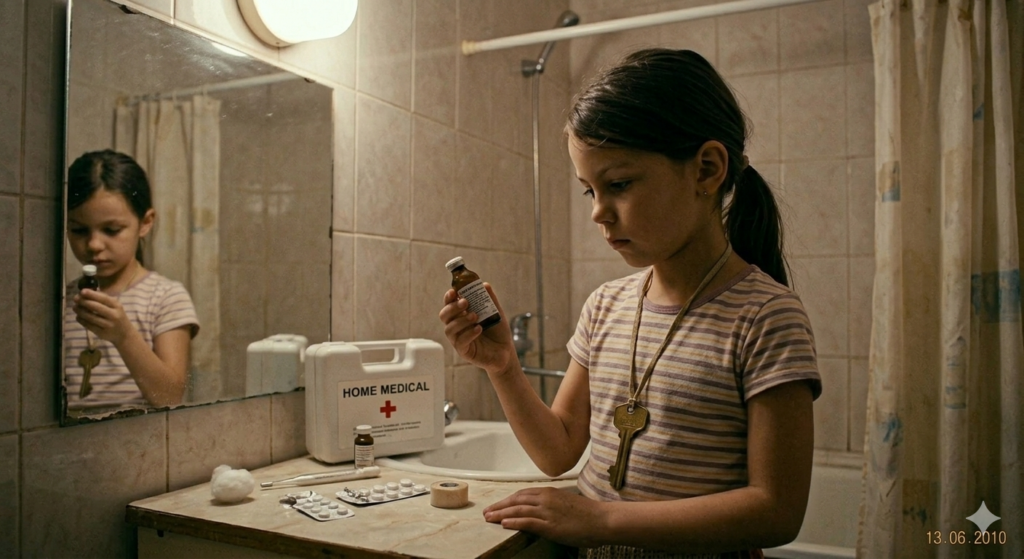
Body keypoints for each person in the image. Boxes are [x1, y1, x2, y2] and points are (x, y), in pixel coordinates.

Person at [439, 49, 822, 558]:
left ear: (706, 170)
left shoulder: (766, 317)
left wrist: (600, 519)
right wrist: (504, 365)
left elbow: (776, 510)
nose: (599, 212)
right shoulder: (606, 306)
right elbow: (558, 452)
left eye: (618, 184)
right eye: (589, 191)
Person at [64, 149, 199, 411]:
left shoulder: (166, 298)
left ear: (145, 223)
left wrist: (124, 336)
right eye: (79, 230)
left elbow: (170, 397)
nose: (94, 244)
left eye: (111, 230)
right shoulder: (62, 299)